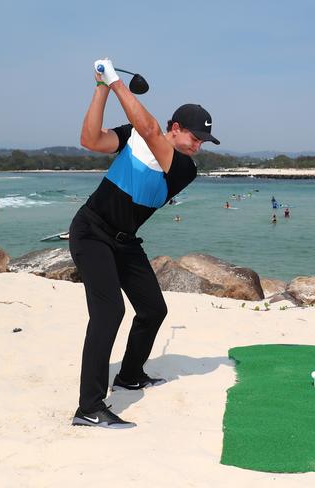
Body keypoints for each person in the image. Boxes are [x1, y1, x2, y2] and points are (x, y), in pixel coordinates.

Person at [68, 58, 220, 429]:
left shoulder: (184, 168)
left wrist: (117, 81)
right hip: (91, 231)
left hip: (125, 242)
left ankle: (130, 375)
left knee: (153, 309)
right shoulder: (133, 136)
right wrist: (102, 87)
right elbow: (90, 139)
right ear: (177, 128)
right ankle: (89, 407)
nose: (198, 146)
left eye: (203, 141)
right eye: (195, 138)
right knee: (109, 312)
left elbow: (150, 129)